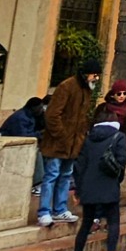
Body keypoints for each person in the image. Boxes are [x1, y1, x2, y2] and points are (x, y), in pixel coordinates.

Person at [37, 59, 100, 227]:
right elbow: (52, 115)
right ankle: (44, 211)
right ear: (86, 74)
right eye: (95, 75)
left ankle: (60, 209)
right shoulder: (66, 87)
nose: (96, 79)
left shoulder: (86, 91)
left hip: (73, 144)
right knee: (51, 175)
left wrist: (79, 136)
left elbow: (82, 117)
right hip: (59, 143)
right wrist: (62, 135)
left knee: (65, 176)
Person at [70, 114, 126, 251]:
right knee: (113, 220)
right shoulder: (119, 136)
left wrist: (78, 188)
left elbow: (80, 164)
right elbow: (121, 161)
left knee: (86, 223)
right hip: (108, 184)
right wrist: (117, 180)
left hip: (88, 186)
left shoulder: (89, 138)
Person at [100, 79, 126, 149]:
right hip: (103, 145)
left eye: (125, 93)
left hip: (121, 146)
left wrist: (125, 143)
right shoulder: (103, 108)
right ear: (113, 94)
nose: (122, 96)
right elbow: (95, 125)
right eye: (119, 94)